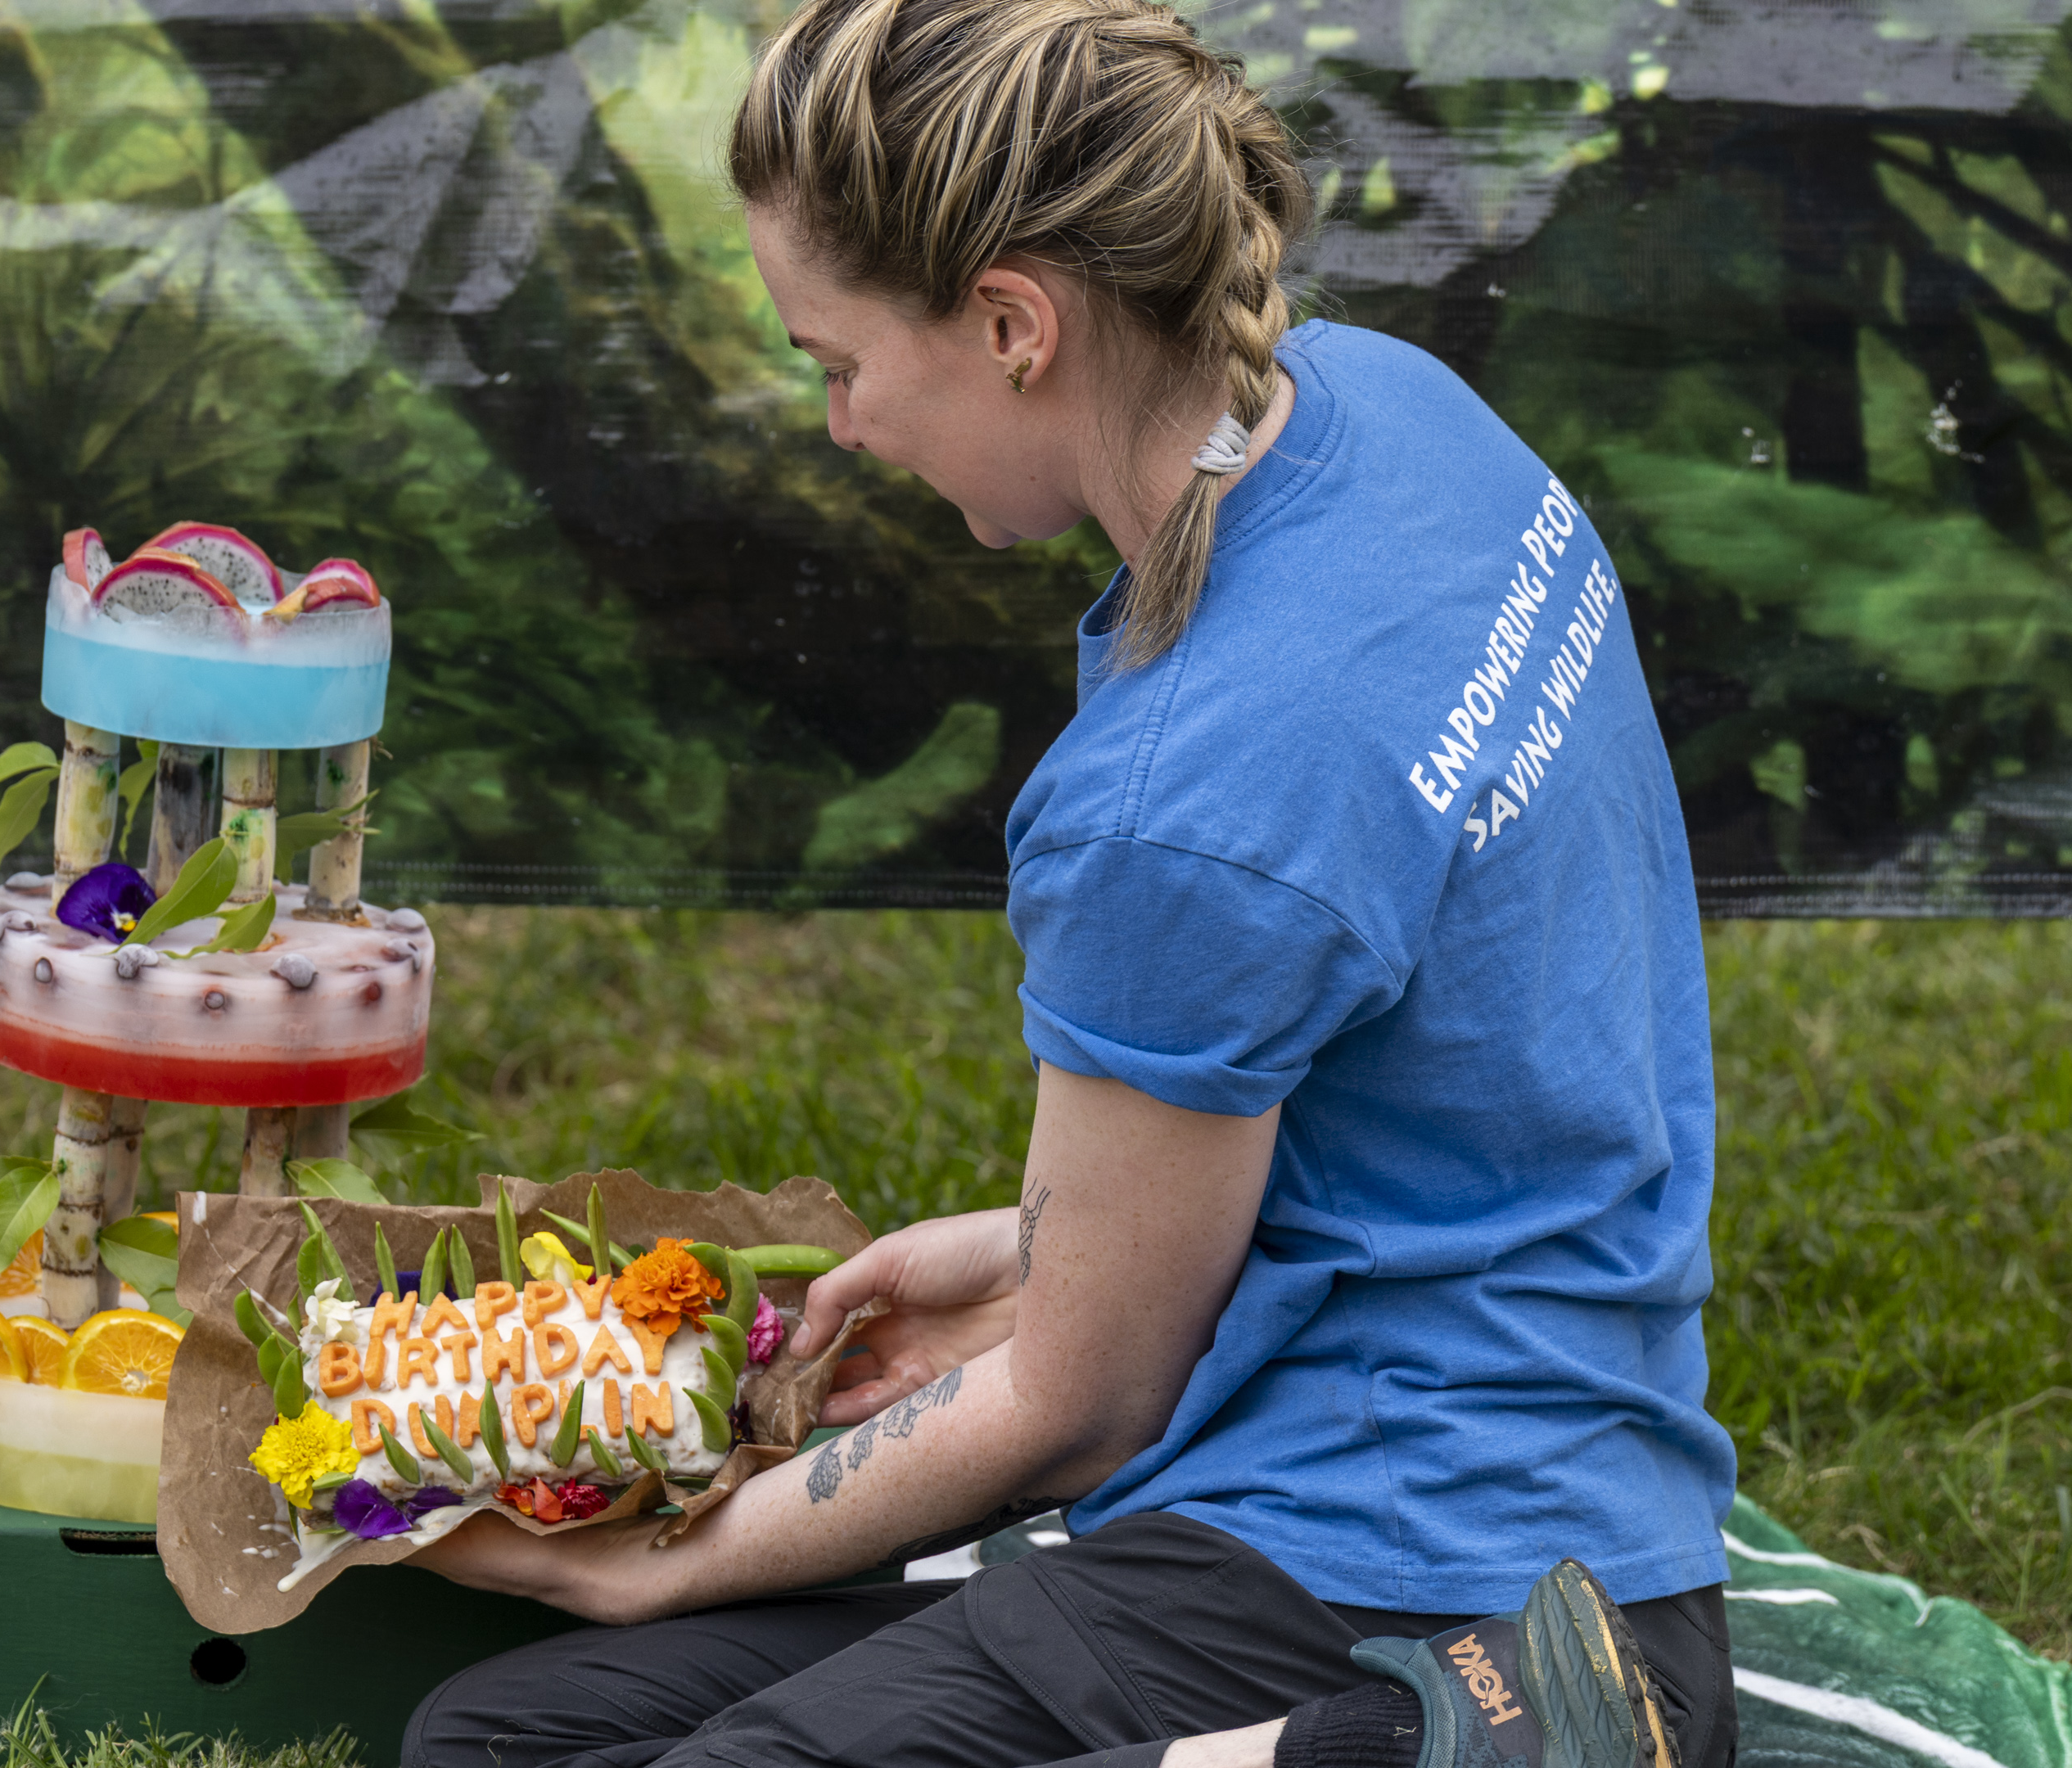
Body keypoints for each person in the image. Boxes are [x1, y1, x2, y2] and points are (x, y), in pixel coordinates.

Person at [405, 2, 1739, 1765]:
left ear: (1015, 322)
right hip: (1551, 1477)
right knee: (490, 1745)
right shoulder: (1391, 414)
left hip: (1409, 1569)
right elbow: (1385, 1067)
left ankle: (1396, 1751)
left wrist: (667, 1561)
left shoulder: (1177, 800)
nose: (841, 426)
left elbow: (1077, 1412)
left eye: (838, 360)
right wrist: (1022, 1261)